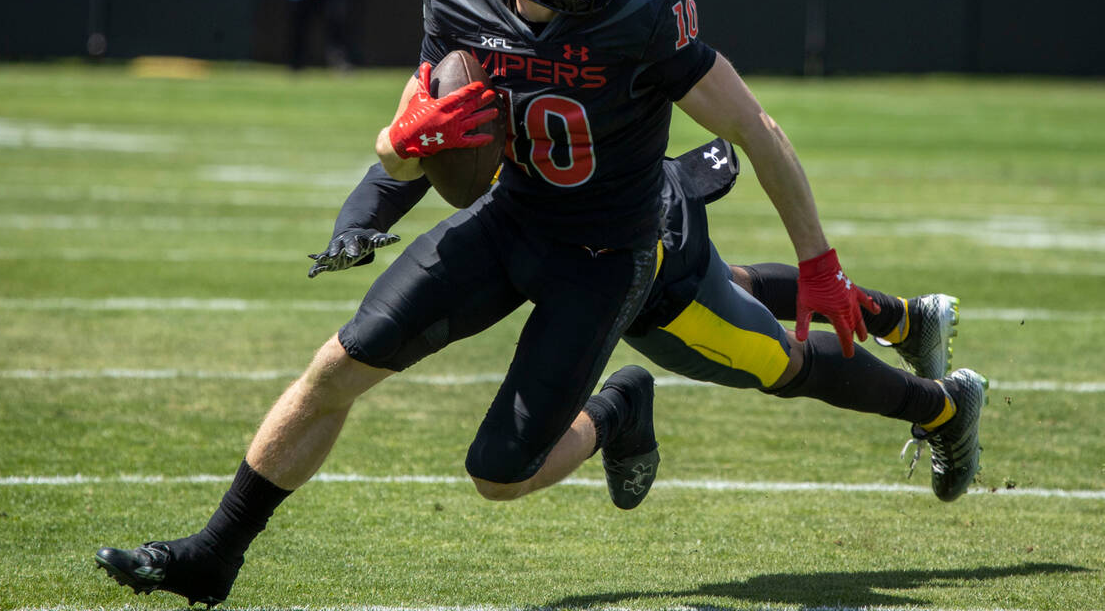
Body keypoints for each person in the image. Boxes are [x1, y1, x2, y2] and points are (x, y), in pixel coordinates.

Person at [94, 0, 984, 607]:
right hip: (511, 217)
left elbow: (755, 128)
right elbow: (432, 126)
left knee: (506, 472)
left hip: (610, 251)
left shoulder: (645, 6)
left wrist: (822, 264)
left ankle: (643, 406)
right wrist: (380, 187)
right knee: (336, 368)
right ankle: (215, 556)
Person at [307, 137, 979, 485]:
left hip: (634, 245)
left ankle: (944, 407)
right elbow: (416, 147)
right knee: (737, 283)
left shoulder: (559, 27)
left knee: (776, 360)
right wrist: (358, 220)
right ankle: (906, 320)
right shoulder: (494, 39)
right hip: (623, 213)